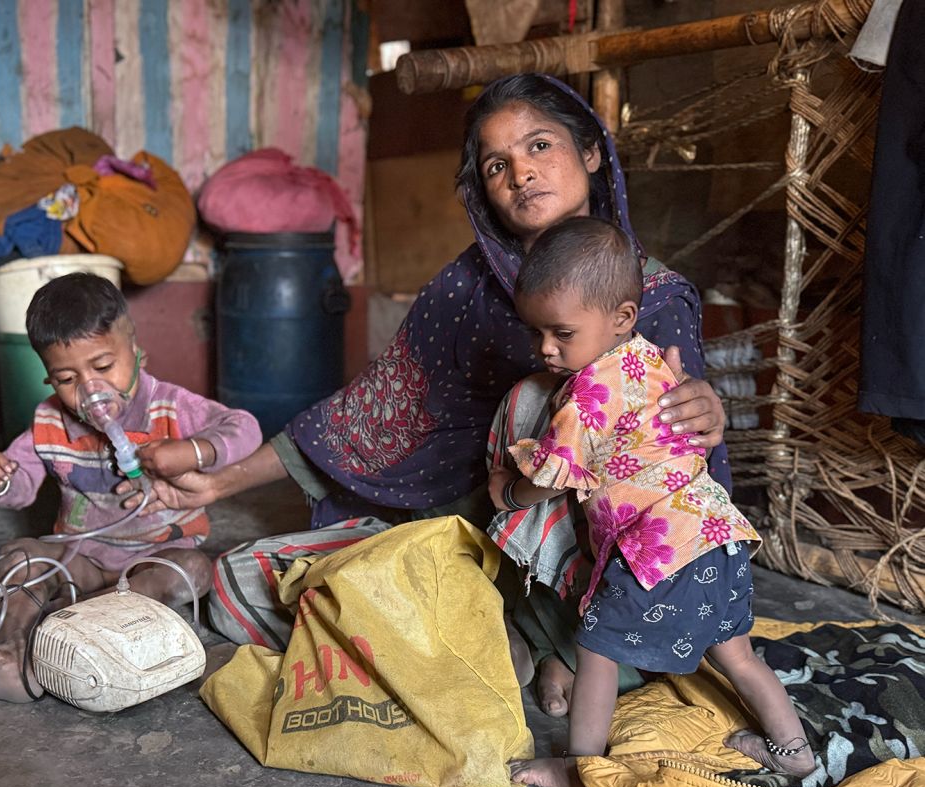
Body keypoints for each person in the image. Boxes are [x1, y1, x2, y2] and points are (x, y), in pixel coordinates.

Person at [126, 75, 730, 705]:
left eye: (540, 146)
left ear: (590, 153)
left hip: (582, 548)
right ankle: (488, 631)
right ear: (482, 192)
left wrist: (705, 411)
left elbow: (682, 453)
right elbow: (371, 409)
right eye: (498, 164)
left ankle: (551, 640)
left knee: (551, 420)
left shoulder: (652, 298)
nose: (522, 173)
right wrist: (219, 480)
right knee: (254, 581)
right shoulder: (465, 286)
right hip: (459, 512)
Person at [500, 217, 814, 787]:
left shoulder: (589, 393)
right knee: (738, 656)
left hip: (655, 550)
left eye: (561, 334)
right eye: (536, 333)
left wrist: (509, 488)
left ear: (620, 318)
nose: (546, 349)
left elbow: (554, 473)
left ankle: (580, 770)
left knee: (593, 651)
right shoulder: (650, 359)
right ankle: (793, 752)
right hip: (715, 533)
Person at [0, 273, 262, 702]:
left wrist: (195, 451)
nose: (88, 389)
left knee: (195, 570)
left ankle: (60, 634)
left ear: (136, 351)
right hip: (81, 560)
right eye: (66, 378)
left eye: (102, 367)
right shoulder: (49, 421)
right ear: (47, 378)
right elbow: (21, 488)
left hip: (154, 560)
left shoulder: (170, 405)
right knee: (19, 556)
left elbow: (244, 428)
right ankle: (14, 657)